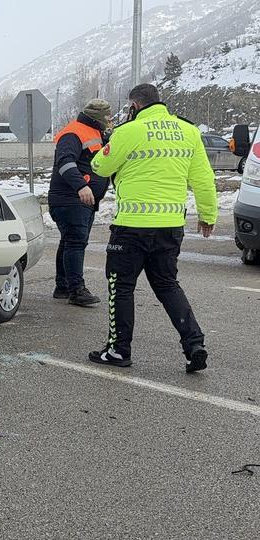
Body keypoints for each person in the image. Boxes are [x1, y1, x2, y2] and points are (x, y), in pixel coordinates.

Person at [88, 83, 217, 373]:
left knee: (120, 286)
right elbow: (204, 179)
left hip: (131, 228)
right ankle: (194, 344)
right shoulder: (188, 131)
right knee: (168, 285)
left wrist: (115, 139)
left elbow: (100, 166)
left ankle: (118, 350)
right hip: (170, 227)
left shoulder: (128, 132)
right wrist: (208, 214)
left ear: (134, 107)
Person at [47, 99, 112, 306]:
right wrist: (81, 186)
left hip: (80, 200)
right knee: (75, 242)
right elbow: (65, 162)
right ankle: (76, 290)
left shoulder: (95, 133)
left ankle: (63, 286)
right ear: (98, 117)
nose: (110, 120)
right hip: (70, 199)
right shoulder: (73, 133)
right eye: (108, 117)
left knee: (69, 241)